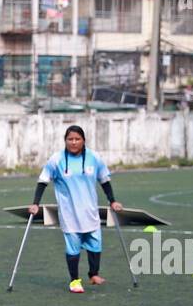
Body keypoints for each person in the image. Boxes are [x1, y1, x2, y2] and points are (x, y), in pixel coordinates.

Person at [29, 125, 123, 294]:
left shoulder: (94, 158)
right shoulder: (56, 159)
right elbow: (43, 180)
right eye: (70, 139)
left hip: (90, 211)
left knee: (95, 245)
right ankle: (74, 281)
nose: (73, 142)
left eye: (77, 139)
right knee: (73, 248)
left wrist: (112, 201)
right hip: (69, 213)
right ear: (65, 141)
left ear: (83, 140)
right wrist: (35, 203)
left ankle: (93, 274)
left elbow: (104, 180)